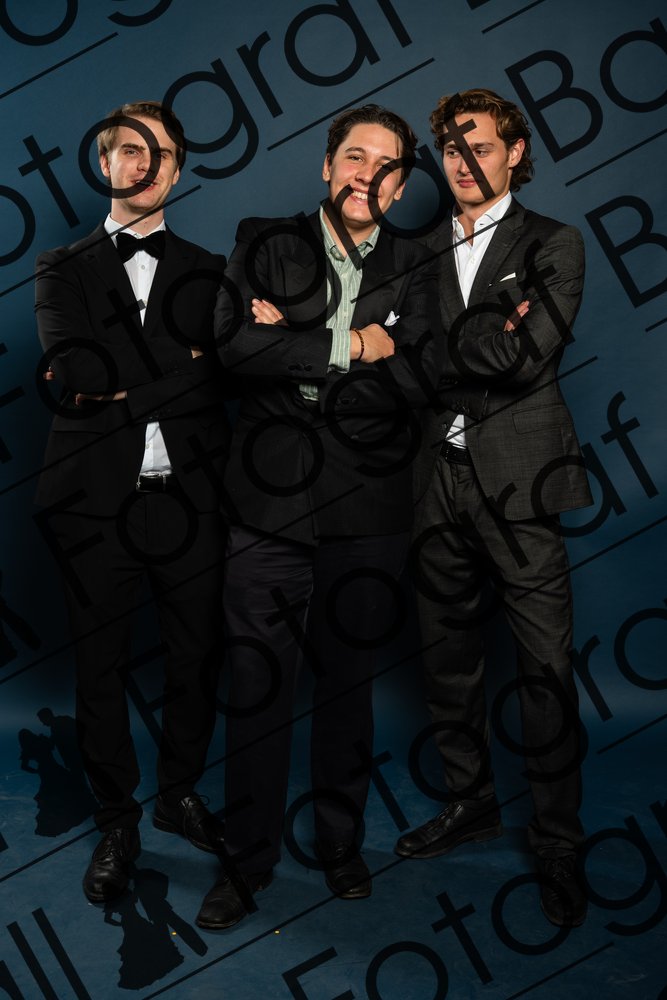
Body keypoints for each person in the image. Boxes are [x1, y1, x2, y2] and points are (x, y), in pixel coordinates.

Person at [197, 104, 441, 929]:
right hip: (265, 505)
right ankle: (247, 860)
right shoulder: (264, 240)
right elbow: (234, 348)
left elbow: (421, 379)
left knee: (348, 684)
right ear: (327, 167)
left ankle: (339, 844)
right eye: (354, 157)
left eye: (385, 165)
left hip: (368, 508)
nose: (367, 175)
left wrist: (293, 341)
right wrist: (354, 343)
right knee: (256, 685)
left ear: (399, 186)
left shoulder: (418, 261)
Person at [395, 88, 593, 928]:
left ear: (513, 152)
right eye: (450, 149)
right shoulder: (414, 250)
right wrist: (479, 339)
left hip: (518, 480)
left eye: (478, 145)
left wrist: (428, 348)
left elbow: (523, 359)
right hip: (430, 479)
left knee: (543, 672)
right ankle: (469, 801)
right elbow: (393, 367)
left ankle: (558, 843)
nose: (463, 162)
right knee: (447, 659)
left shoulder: (555, 243)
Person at [34, 101, 229, 903]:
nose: (145, 165)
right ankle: (117, 819)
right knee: (99, 668)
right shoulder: (59, 267)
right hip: (91, 501)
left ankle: (178, 792)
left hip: (190, 498)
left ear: (177, 171)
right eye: (130, 150)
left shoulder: (212, 268)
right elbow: (76, 371)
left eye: (162, 154)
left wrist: (132, 374)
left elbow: (224, 379)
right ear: (105, 163)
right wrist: (185, 358)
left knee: (196, 656)